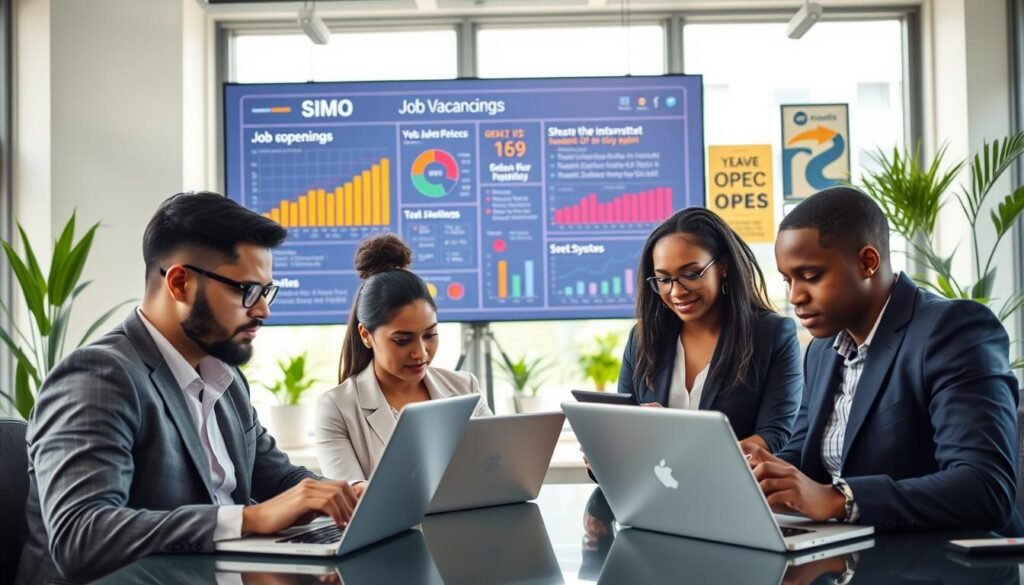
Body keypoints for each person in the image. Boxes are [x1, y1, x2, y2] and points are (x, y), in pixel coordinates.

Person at [15, 192, 359, 585]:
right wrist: (249, 518)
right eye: (248, 290)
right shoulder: (98, 376)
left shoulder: (224, 378)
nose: (263, 309)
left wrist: (351, 495)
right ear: (180, 283)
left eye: (267, 291)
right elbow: (82, 535)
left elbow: (278, 479)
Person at [746, 186, 1022, 533]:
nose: (796, 297)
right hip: (855, 555)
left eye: (811, 276)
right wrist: (755, 475)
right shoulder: (822, 350)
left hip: (949, 562)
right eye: (788, 280)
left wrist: (839, 499)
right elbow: (803, 456)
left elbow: (985, 488)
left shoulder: (953, 331)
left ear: (867, 262)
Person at [618, 207, 802, 453]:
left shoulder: (772, 335)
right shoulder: (643, 338)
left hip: (730, 485)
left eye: (691, 274)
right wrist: (607, 450)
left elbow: (775, 435)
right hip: (653, 482)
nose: (676, 291)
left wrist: (685, 440)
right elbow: (622, 424)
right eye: (663, 279)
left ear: (723, 266)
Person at [315, 234, 490, 484]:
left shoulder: (466, 388)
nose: (420, 352)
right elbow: (352, 499)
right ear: (366, 335)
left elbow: (494, 472)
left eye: (430, 335)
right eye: (402, 340)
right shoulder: (337, 408)